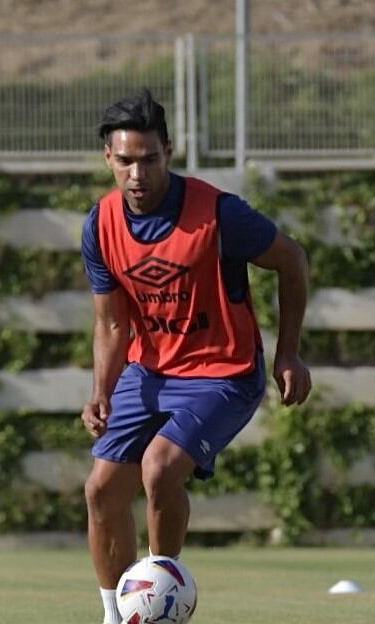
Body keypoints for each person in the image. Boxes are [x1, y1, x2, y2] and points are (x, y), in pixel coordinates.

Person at [79, 88, 312, 624]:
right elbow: (112, 323)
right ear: (108, 158)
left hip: (224, 372)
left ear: (169, 152)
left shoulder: (220, 214)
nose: (137, 174)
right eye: (125, 161)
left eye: (149, 159)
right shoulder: (101, 225)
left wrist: (289, 353)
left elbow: (292, 260)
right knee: (101, 490)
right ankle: (117, 617)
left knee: (159, 468)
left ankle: (159, 607)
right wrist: (101, 392)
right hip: (149, 370)